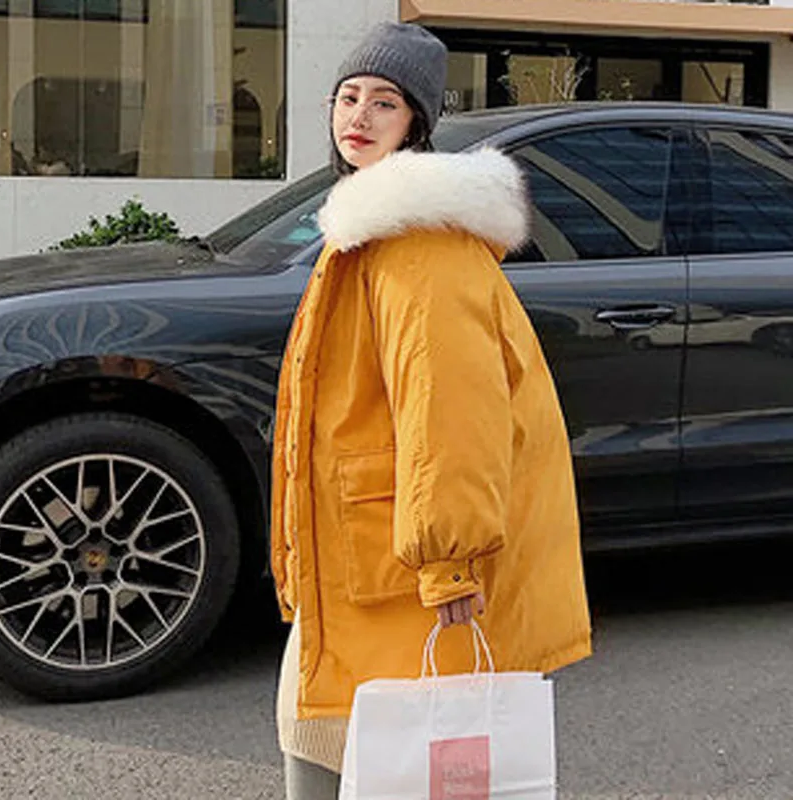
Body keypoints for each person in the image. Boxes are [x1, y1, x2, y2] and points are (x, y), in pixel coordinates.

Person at [271, 22, 592, 799]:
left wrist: (450, 561)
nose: (359, 115)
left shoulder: (419, 244)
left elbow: (450, 408)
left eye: (385, 102)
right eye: (349, 96)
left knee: (350, 749)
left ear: (416, 121)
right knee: (331, 739)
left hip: (404, 561)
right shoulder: (370, 230)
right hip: (367, 549)